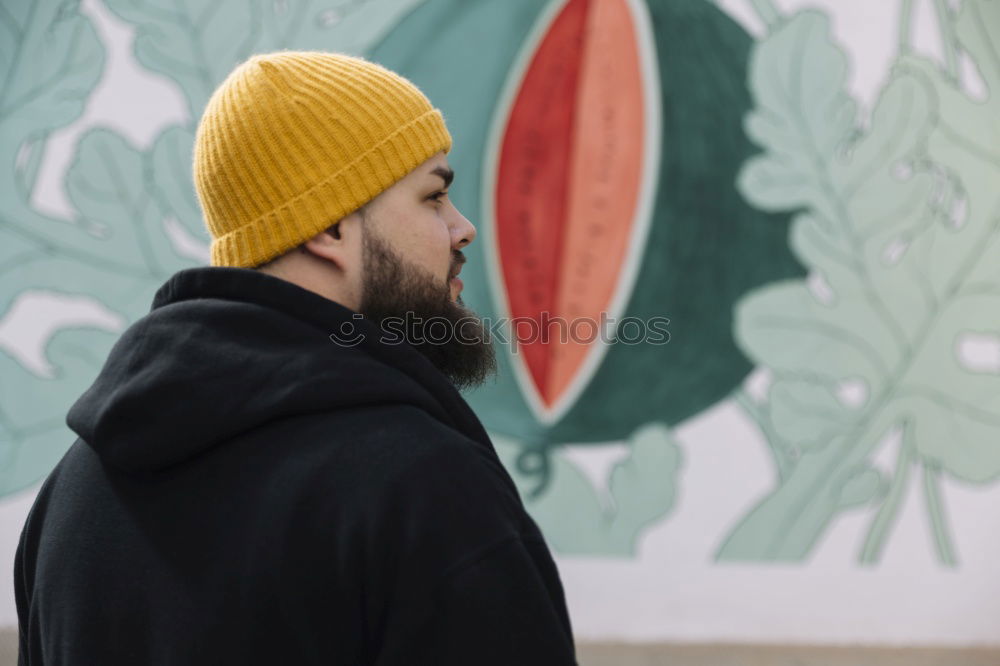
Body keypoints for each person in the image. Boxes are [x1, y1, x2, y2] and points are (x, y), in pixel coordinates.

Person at [14, 51, 577, 665]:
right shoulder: (423, 488)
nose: (462, 227)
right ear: (328, 227)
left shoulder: (73, 493)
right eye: (432, 196)